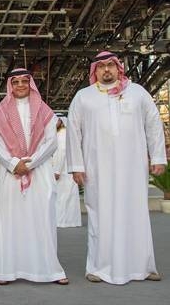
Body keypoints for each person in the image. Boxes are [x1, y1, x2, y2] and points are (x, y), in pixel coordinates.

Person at [67, 51, 166, 284]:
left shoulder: (137, 93)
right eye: (101, 67)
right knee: (100, 213)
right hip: (97, 168)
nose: (106, 70)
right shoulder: (84, 97)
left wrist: (158, 156)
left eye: (110, 65)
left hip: (133, 167)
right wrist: (76, 166)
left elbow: (153, 124)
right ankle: (98, 267)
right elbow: (73, 131)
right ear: (95, 71)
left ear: (118, 67)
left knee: (137, 213)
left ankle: (143, 266)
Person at [0, 68, 68, 286]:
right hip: (10, 174)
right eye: (16, 82)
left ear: (31, 84)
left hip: (39, 172)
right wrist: (14, 163)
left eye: (25, 81)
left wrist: (29, 163)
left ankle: (50, 270)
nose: (21, 85)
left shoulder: (45, 111)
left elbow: (51, 142)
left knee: (42, 219)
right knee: (10, 221)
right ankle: (7, 271)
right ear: (10, 86)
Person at [52, 115, 81, 228]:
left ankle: (61, 221)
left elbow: (61, 153)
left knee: (62, 198)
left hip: (62, 171)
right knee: (68, 197)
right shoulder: (66, 135)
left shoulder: (62, 135)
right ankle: (71, 221)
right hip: (67, 171)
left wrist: (56, 170)